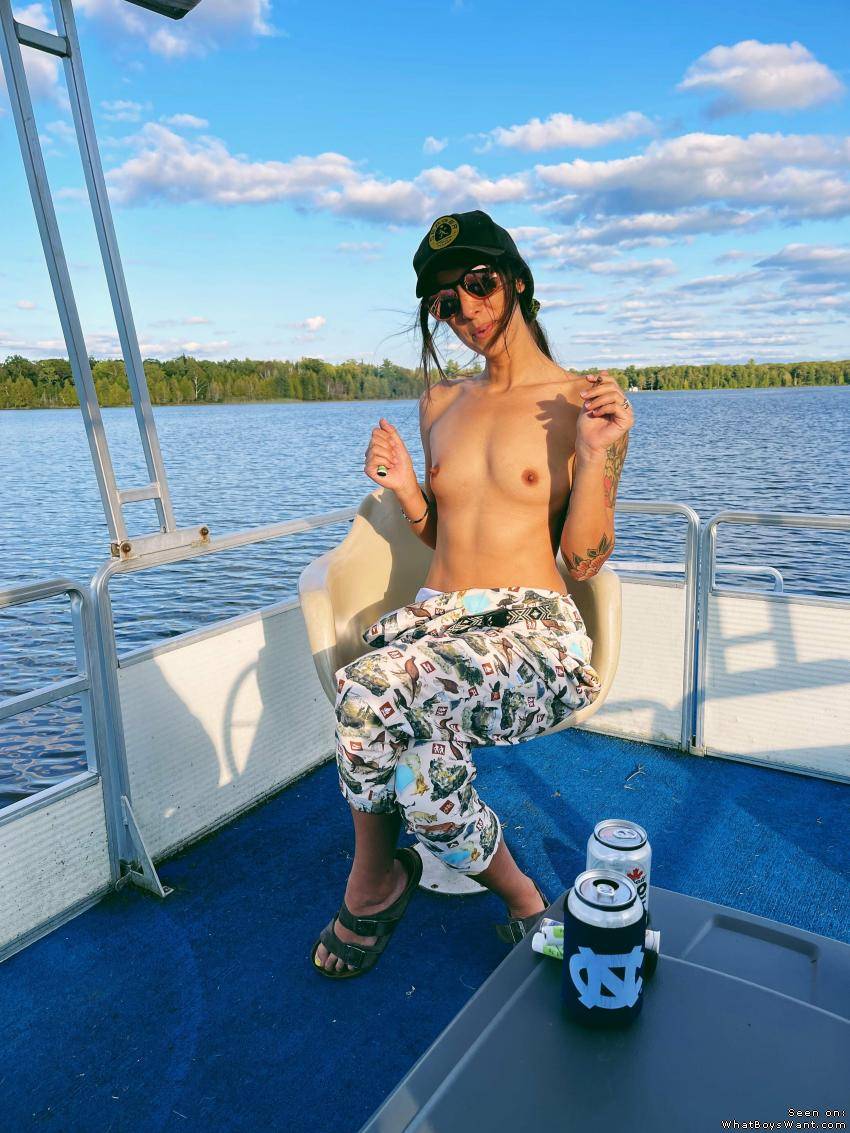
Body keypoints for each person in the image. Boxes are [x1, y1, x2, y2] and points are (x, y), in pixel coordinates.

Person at [312, 209, 635, 977]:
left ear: (517, 280)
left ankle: (373, 882)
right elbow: (445, 536)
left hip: (533, 634)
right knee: (424, 785)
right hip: (438, 626)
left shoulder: (580, 401)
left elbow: (584, 559)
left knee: (367, 690)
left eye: (480, 284)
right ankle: (527, 902)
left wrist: (597, 456)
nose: (467, 310)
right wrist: (407, 491)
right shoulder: (440, 403)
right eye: (446, 302)